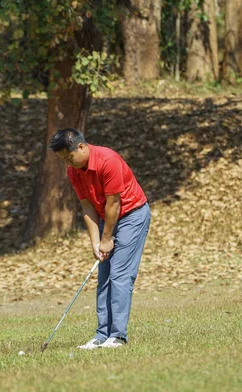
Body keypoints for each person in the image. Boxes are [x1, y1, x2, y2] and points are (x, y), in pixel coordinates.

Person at [48, 128, 151, 349]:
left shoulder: (108, 160)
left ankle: (118, 336)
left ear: (82, 147)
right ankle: (101, 335)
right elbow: (87, 206)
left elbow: (114, 203)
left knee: (120, 274)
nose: (68, 162)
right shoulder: (74, 171)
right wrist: (96, 242)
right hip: (107, 217)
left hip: (132, 214)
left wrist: (107, 239)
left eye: (69, 156)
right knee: (103, 277)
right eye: (63, 160)